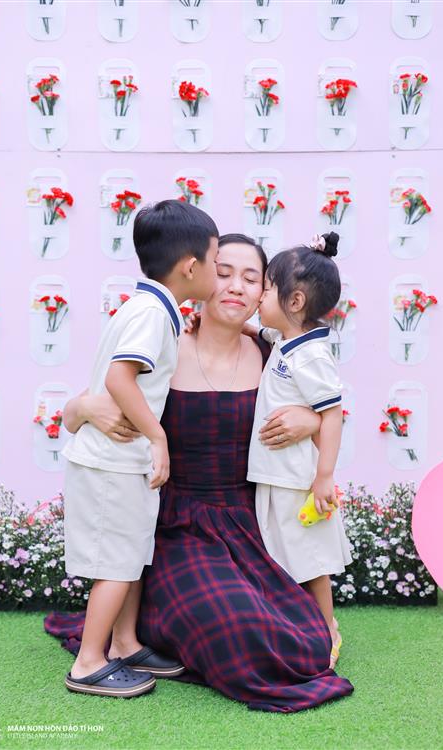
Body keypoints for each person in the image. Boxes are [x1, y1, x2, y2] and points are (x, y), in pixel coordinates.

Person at [46, 233, 354, 713]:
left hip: (248, 524)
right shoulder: (165, 346)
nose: (235, 286)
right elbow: (78, 415)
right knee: (233, 626)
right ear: (202, 276)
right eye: (223, 272)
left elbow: (328, 411)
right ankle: (139, 628)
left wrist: (310, 421)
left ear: (267, 293)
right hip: (174, 526)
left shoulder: (276, 355)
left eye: (252, 278)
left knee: (300, 638)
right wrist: (82, 407)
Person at [61, 200, 219, 697]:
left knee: (130, 555)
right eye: (216, 262)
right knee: (116, 563)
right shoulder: (151, 313)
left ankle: (125, 643)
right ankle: (89, 662)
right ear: (190, 267)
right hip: (111, 463)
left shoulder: (153, 309)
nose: (218, 273)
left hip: (120, 462)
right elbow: (119, 378)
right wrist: (158, 436)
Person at [246, 232, 352, 669]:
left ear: (294, 301)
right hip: (277, 474)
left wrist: (324, 476)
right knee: (283, 558)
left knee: (309, 561)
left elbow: (332, 414)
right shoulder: (286, 340)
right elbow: (263, 332)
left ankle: (327, 631)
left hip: (296, 479)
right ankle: (300, 627)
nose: (259, 295)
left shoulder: (311, 356)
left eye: (267, 288)